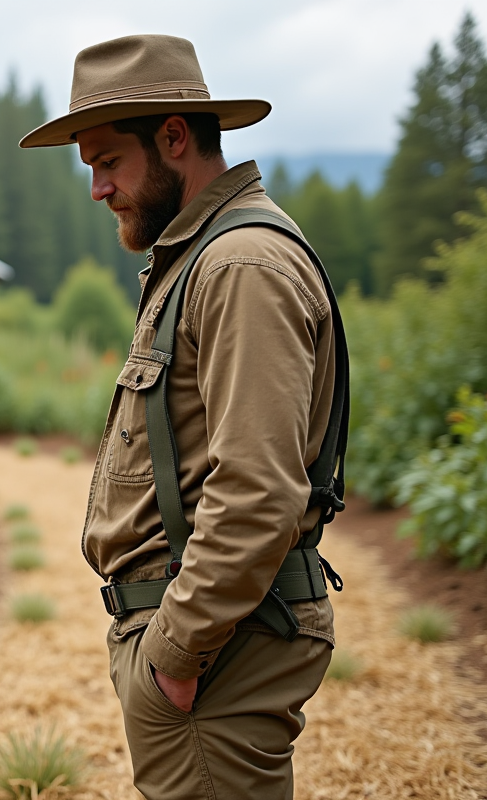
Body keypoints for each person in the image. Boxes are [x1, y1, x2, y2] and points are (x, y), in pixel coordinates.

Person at [19, 34, 348, 800]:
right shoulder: (209, 256)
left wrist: (172, 654)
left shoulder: (237, 266)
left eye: (108, 162)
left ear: (174, 137)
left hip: (214, 656)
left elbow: (257, 493)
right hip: (211, 650)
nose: (97, 189)